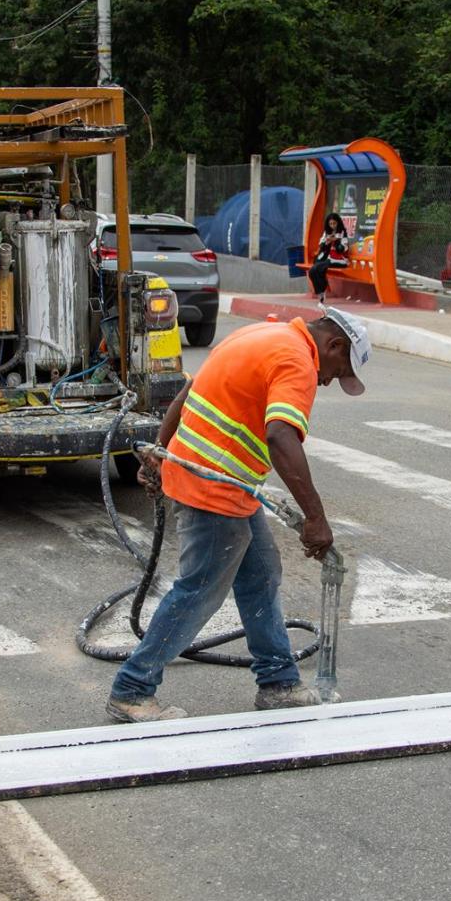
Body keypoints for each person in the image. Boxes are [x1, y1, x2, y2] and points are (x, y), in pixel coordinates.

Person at [107, 308, 372, 723]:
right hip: (212, 489)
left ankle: (278, 683)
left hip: (226, 486)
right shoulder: (297, 362)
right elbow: (280, 436)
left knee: (261, 575)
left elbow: (187, 393)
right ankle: (132, 689)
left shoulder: (261, 335)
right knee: (198, 591)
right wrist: (315, 518)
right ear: (335, 345)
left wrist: (160, 450)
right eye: (339, 371)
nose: (329, 381)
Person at [307, 213, 349, 306]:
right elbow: (321, 246)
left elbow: (343, 249)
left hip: (339, 260)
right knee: (312, 271)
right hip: (327, 259)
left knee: (319, 268)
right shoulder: (326, 232)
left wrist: (336, 241)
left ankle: (322, 291)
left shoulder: (342, 232)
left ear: (338, 223)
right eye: (331, 224)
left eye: (334, 223)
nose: (332, 226)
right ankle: (320, 291)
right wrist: (327, 242)